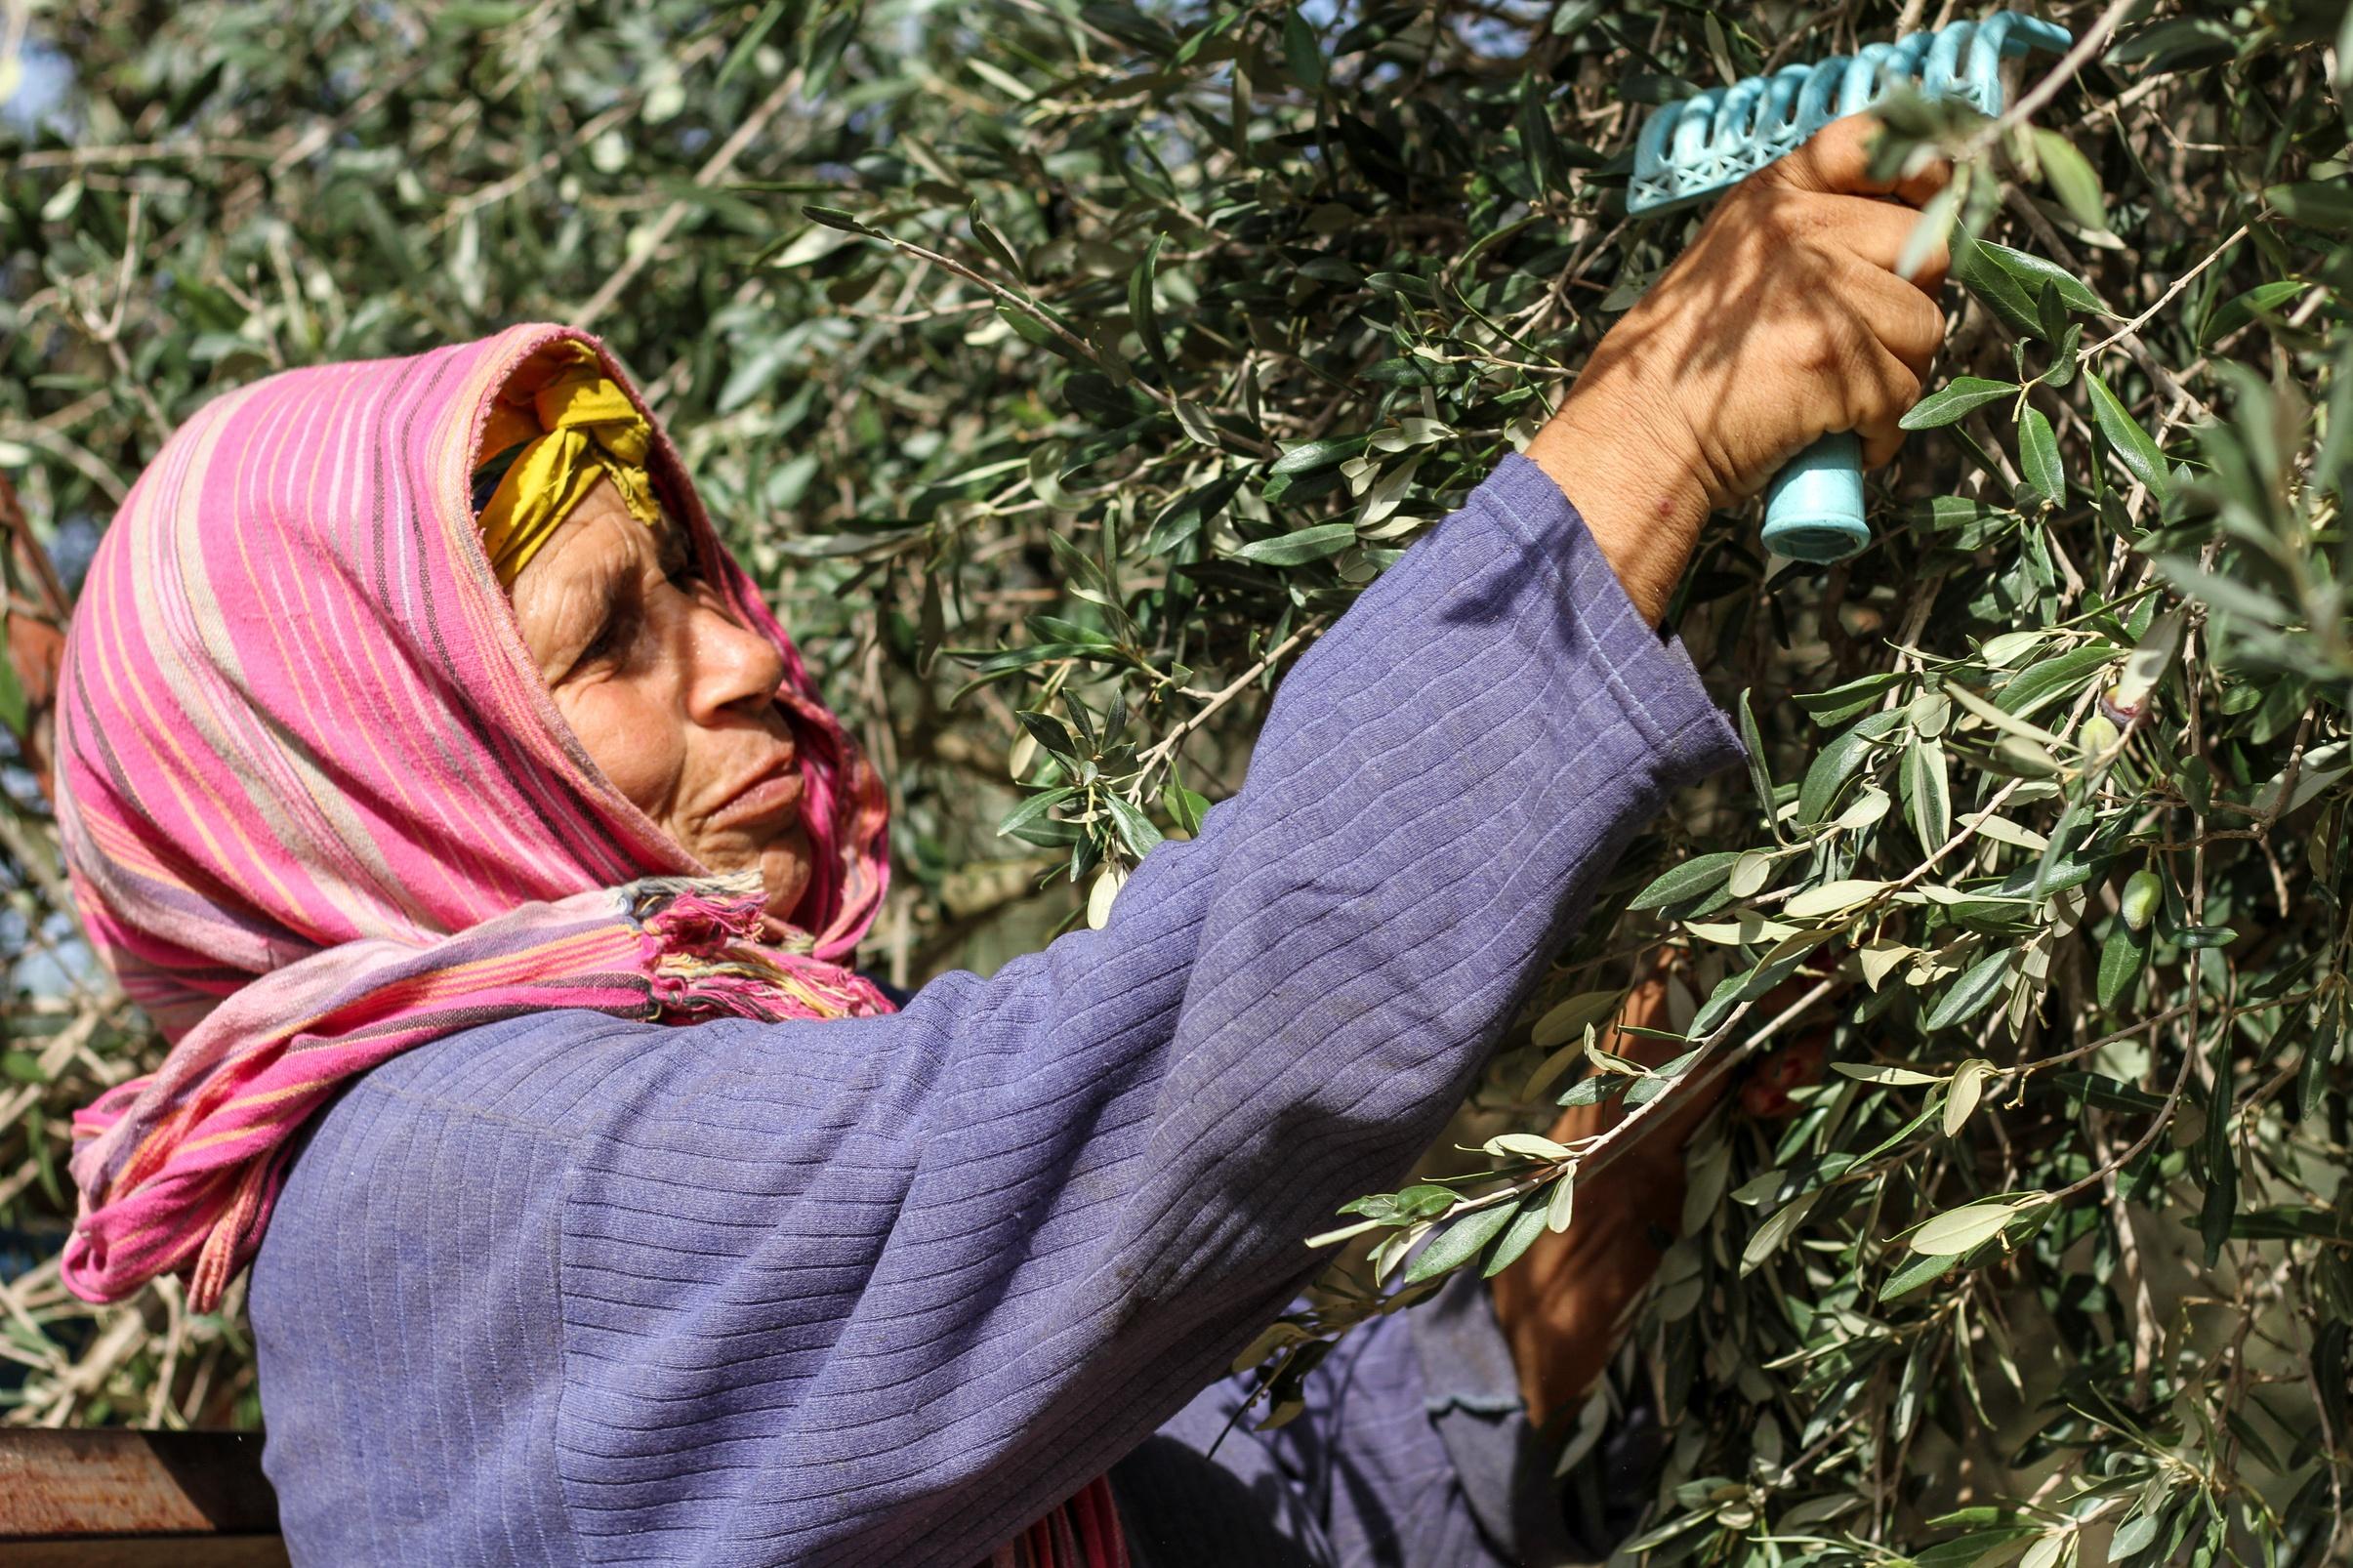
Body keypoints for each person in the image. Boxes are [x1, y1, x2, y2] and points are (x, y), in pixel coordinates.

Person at [51, 114, 1949, 1566]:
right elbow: (1166, 1078)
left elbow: (1278, 1511)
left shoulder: (663, 1139)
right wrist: (1649, 434)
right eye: (609, 639)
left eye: (701, 581)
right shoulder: (457, 1189)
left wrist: (1603, 1195)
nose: (742, 659)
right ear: (370, 766)